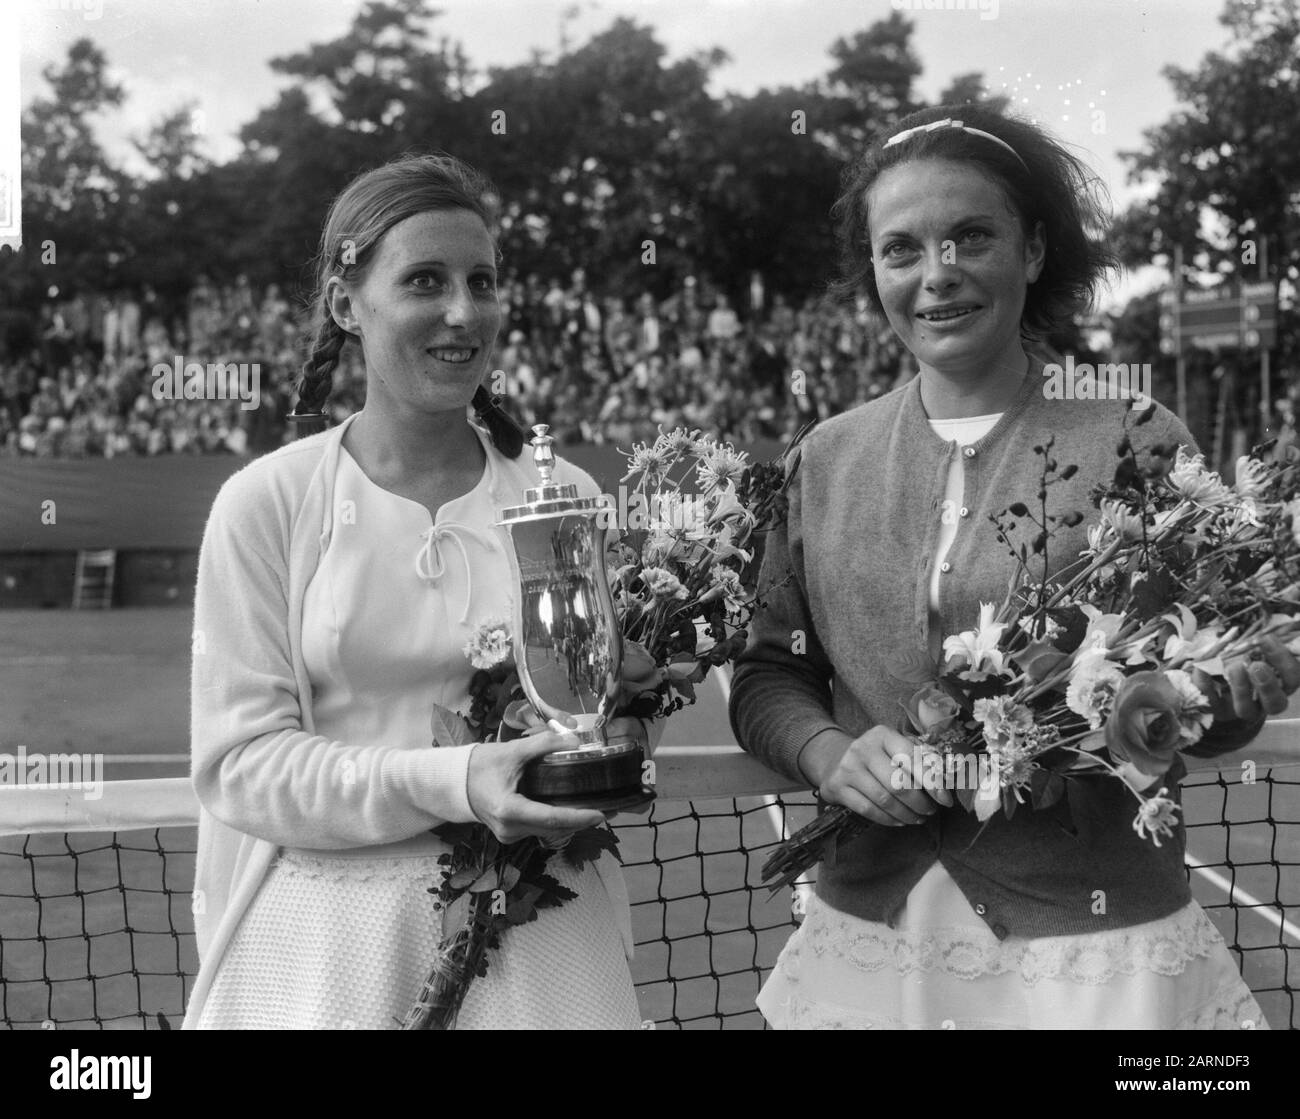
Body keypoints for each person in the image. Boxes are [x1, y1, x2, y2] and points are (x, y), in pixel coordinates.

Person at [729, 105, 1300, 1030]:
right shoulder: (824, 458)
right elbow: (768, 672)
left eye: (970, 237)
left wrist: (1236, 684)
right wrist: (829, 753)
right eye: (901, 249)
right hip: (874, 934)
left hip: (1100, 960)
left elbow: (1206, 709)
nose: (936, 273)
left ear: (1033, 251)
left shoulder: (1137, 435)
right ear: (873, 270)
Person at [183, 154, 649, 1030]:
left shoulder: (570, 498)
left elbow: (596, 706)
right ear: (345, 303)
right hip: (327, 950)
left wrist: (620, 732)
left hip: (547, 943)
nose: (464, 312)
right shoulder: (267, 503)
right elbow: (239, 767)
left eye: (484, 280)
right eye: (425, 280)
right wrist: (460, 779)